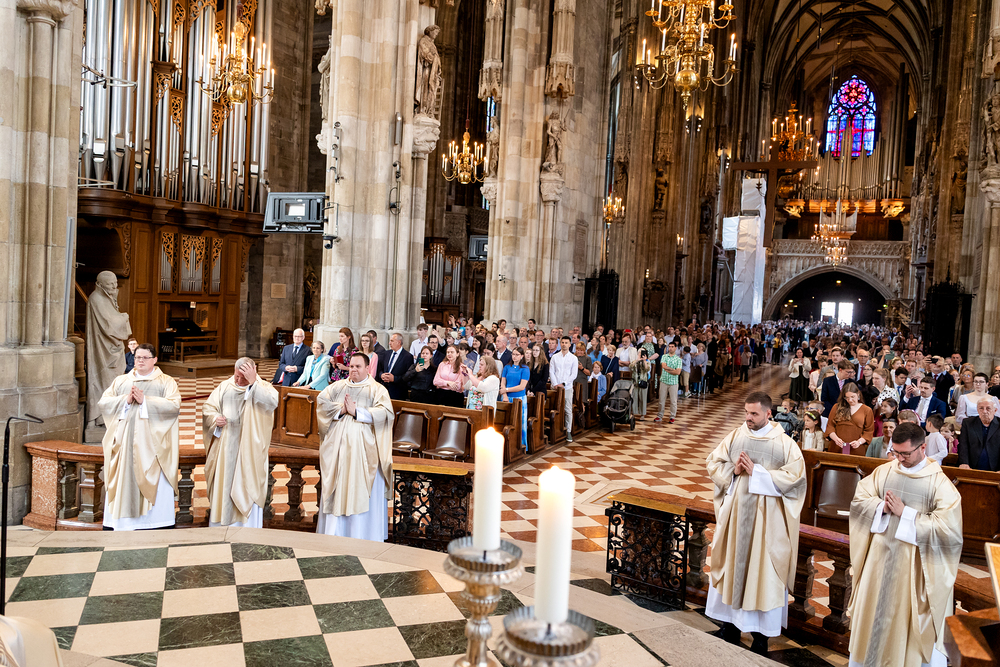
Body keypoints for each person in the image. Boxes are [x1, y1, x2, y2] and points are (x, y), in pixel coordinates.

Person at [847, 422, 963, 667]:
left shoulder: (940, 484)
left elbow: (949, 532)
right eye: (895, 452)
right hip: (878, 562)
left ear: (922, 448)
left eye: (905, 454)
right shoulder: (885, 471)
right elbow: (860, 500)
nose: (899, 459)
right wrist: (881, 507)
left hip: (914, 569)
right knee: (873, 617)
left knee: (905, 624)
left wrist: (906, 514)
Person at [706, 392, 806, 655]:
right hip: (736, 516)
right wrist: (734, 470)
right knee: (731, 566)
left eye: (754, 414)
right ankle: (729, 626)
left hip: (767, 522)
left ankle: (761, 637)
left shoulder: (785, 444)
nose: (748, 418)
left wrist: (758, 473)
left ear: (768, 413)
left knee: (764, 573)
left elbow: (796, 480)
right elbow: (713, 462)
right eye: (746, 412)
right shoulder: (736, 436)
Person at [98, 344, 181, 530]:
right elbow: (104, 403)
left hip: (152, 446)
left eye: (145, 358)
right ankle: (122, 523)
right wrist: (125, 401)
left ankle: (156, 523)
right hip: (125, 445)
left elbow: (174, 406)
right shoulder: (121, 381)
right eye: (137, 358)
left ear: (155, 360)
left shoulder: (166, 382)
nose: (140, 361)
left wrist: (146, 402)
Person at [316, 352, 394, 540]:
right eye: (351, 366)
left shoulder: (377, 390)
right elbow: (321, 403)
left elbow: (386, 414)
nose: (353, 370)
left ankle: (362, 536)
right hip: (336, 453)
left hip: (364, 454)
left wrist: (357, 412)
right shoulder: (337, 387)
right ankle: (334, 534)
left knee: (358, 491)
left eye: (358, 367)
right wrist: (341, 409)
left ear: (367, 368)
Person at [202, 358, 279, 527]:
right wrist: (215, 418)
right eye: (236, 376)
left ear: (253, 371)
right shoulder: (225, 386)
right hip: (226, 447)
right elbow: (208, 407)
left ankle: (247, 527)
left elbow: (272, 402)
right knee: (225, 484)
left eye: (242, 377)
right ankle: (222, 524)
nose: (237, 380)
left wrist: (253, 383)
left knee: (247, 484)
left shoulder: (263, 387)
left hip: (250, 449)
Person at [86, 271, 133, 429]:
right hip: (104, 351)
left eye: (115, 283)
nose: (114, 286)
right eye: (110, 284)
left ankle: (111, 413)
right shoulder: (96, 299)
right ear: (100, 284)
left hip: (112, 348)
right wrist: (124, 318)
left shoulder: (107, 297)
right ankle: (101, 416)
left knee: (115, 381)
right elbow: (109, 325)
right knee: (105, 380)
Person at [825, 382, 875, 455]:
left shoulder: (867, 410)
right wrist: (835, 439)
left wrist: (859, 442)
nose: (850, 400)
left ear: (858, 394)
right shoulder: (836, 407)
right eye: (847, 397)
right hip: (836, 447)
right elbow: (830, 426)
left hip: (856, 449)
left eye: (852, 397)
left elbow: (869, 431)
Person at [958, 398, 1000, 471]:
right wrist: (964, 463)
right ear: (977, 410)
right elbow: (963, 445)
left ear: (995, 410)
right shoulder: (968, 423)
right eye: (981, 408)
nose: (984, 411)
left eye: (988, 408)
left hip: (995, 469)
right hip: (971, 467)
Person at [500, 347, 530, 450]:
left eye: (517, 355)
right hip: (507, 398)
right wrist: (504, 395)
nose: (514, 356)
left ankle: (520, 445)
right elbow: (503, 383)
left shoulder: (525, 369)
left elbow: (522, 386)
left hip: (519, 398)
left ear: (522, 356)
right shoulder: (507, 367)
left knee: (520, 422)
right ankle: (506, 445)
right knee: (506, 421)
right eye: (513, 354)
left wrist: (506, 390)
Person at [550, 336, 578, 442]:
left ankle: (568, 431)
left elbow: (573, 374)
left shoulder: (573, 358)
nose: (564, 344)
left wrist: (564, 383)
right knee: (554, 408)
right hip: (556, 387)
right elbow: (551, 371)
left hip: (567, 387)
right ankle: (555, 430)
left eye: (566, 342)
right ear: (560, 344)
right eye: (562, 342)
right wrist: (555, 384)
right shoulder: (555, 357)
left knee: (567, 409)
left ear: (570, 344)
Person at [377, 333, 414, 400]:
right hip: (384, 390)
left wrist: (394, 379)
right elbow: (380, 369)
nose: (389, 343)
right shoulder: (387, 353)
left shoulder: (407, 356)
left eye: (392, 341)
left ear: (398, 342)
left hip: (398, 392)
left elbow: (408, 376)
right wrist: (381, 375)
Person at [656, 341, 682, 424]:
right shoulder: (664, 356)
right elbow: (664, 366)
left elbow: (678, 372)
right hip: (664, 380)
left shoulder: (678, 359)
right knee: (661, 400)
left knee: (673, 401)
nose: (670, 348)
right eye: (669, 346)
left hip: (673, 382)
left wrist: (669, 369)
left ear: (675, 348)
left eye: (672, 347)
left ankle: (672, 417)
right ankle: (660, 415)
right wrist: (673, 369)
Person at [630, 349, 651, 421]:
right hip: (635, 382)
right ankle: (634, 413)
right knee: (634, 398)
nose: (640, 354)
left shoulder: (647, 362)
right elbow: (631, 367)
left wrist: (644, 361)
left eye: (642, 353)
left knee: (643, 398)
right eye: (639, 353)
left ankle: (642, 414)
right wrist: (637, 360)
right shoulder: (635, 361)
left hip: (643, 382)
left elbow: (647, 369)